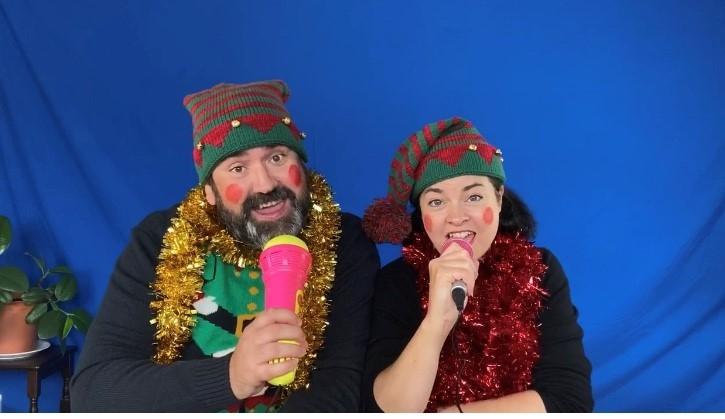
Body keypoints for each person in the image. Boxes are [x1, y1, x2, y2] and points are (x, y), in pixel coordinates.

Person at [70, 80, 379, 412]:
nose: (264, 184)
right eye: (238, 168)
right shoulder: (159, 240)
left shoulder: (344, 240)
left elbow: (339, 387)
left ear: (301, 166)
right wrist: (232, 376)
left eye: (276, 157)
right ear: (210, 194)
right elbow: (93, 393)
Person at [361, 117, 593, 412]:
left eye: (473, 196)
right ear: (420, 213)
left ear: (498, 199)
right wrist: (437, 322)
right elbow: (381, 410)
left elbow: (569, 401)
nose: (456, 217)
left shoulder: (541, 269)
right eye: (436, 202)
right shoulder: (396, 282)